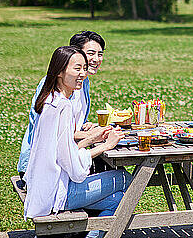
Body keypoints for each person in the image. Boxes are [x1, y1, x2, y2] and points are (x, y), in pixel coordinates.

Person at [23, 46, 130, 238]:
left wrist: (91, 139)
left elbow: (60, 152)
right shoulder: (62, 106)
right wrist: (106, 146)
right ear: (59, 72)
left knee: (117, 199)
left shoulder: (50, 99)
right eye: (77, 68)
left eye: (84, 68)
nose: (83, 73)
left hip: (45, 188)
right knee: (125, 178)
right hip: (56, 193)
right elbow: (71, 165)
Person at [17, 31, 107, 178]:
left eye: (100, 54)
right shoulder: (55, 85)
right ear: (75, 53)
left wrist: (85, 126)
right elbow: (50, 131)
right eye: (91, 53)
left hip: (68, 159)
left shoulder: (83, 83)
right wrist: (91, 136)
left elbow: (71, 123)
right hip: (42, 168)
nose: (96, 59)